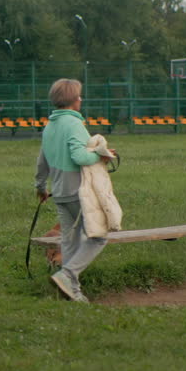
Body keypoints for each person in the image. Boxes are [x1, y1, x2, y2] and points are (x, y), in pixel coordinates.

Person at [34, 79, 116, 303]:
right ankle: (68, 275)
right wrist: (102, 155)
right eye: (79, 96)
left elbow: (42, 162)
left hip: (59, 193)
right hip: (79, 192)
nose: (81, 99)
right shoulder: (74, 125)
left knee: (70, 242)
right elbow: (80, 157)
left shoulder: (49, 126)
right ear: (72, 100)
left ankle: (72, 291)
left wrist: (41, 188)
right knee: (99, 236)